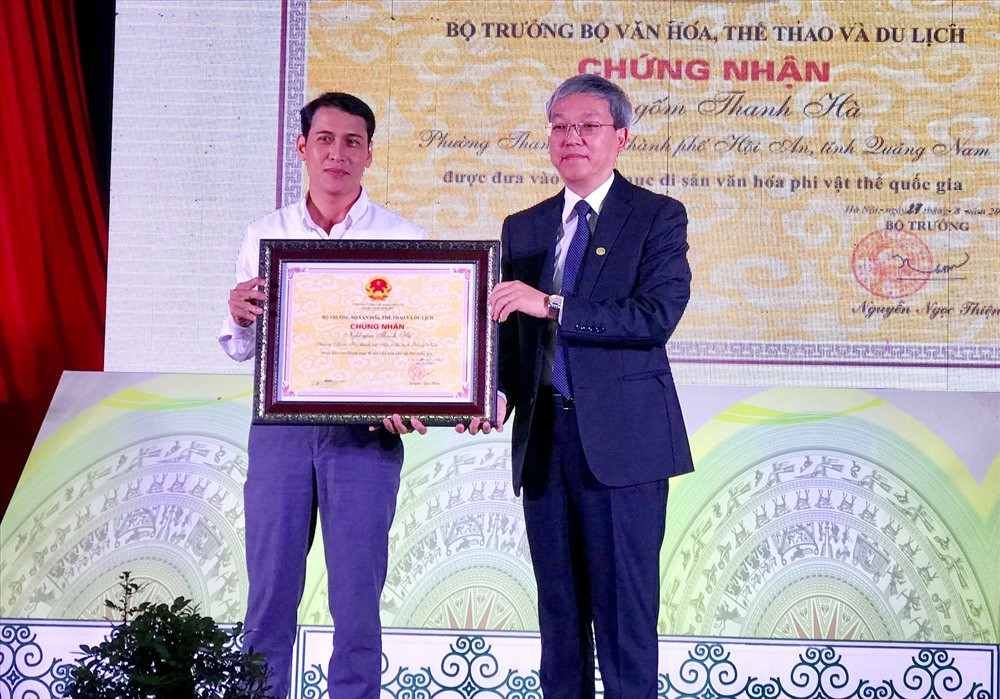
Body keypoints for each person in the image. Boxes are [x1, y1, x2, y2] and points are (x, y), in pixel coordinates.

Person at [484, 74, 694, 697]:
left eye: (587, 126)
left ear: (621, 137)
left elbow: (654, 317)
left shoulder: (657, 216)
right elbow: (508, 333)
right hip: (545, 441)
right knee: (560, 618)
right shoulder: (523, 226)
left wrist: (551, 303)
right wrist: (495, 392)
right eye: (559, 127)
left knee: (626, 619)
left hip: (624, 447)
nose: (571, 138)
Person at [219, 92, 427, 699]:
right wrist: (238, 314)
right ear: (304, 148)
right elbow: (241, 347)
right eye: (327, 140)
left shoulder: (403, 236)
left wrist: (416, 396)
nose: (339, 153)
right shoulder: (265, 233)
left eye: (353, 142)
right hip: (281, 431)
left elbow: (420, 346)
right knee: (268, 597)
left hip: (366, 436)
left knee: (358, 605)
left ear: (369, 155)